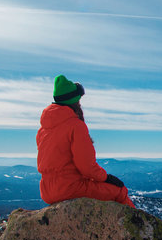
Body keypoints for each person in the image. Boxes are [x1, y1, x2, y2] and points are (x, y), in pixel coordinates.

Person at [36, 75, 135, 208]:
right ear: (74, 100)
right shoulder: (76, 126)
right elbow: (87, 167)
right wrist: (107, 178)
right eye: (79, 100)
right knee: (120, 191)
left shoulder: (43, 129)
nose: (80, 103)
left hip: (47, 191)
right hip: (70, 188)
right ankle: (136, 226)